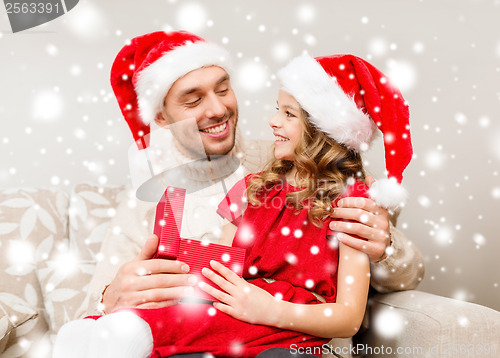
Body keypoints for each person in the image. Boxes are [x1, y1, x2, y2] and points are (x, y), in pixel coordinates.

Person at [54, 31, 423, 356]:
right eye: (193, 99)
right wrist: (112, 295)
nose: (218, 108)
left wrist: (385, 247)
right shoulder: (147, 201)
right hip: (201, 332)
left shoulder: (305, 169)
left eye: (223, 87)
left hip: (300, 341)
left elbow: (402, 277)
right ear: (162, 117)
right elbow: (96, 307)